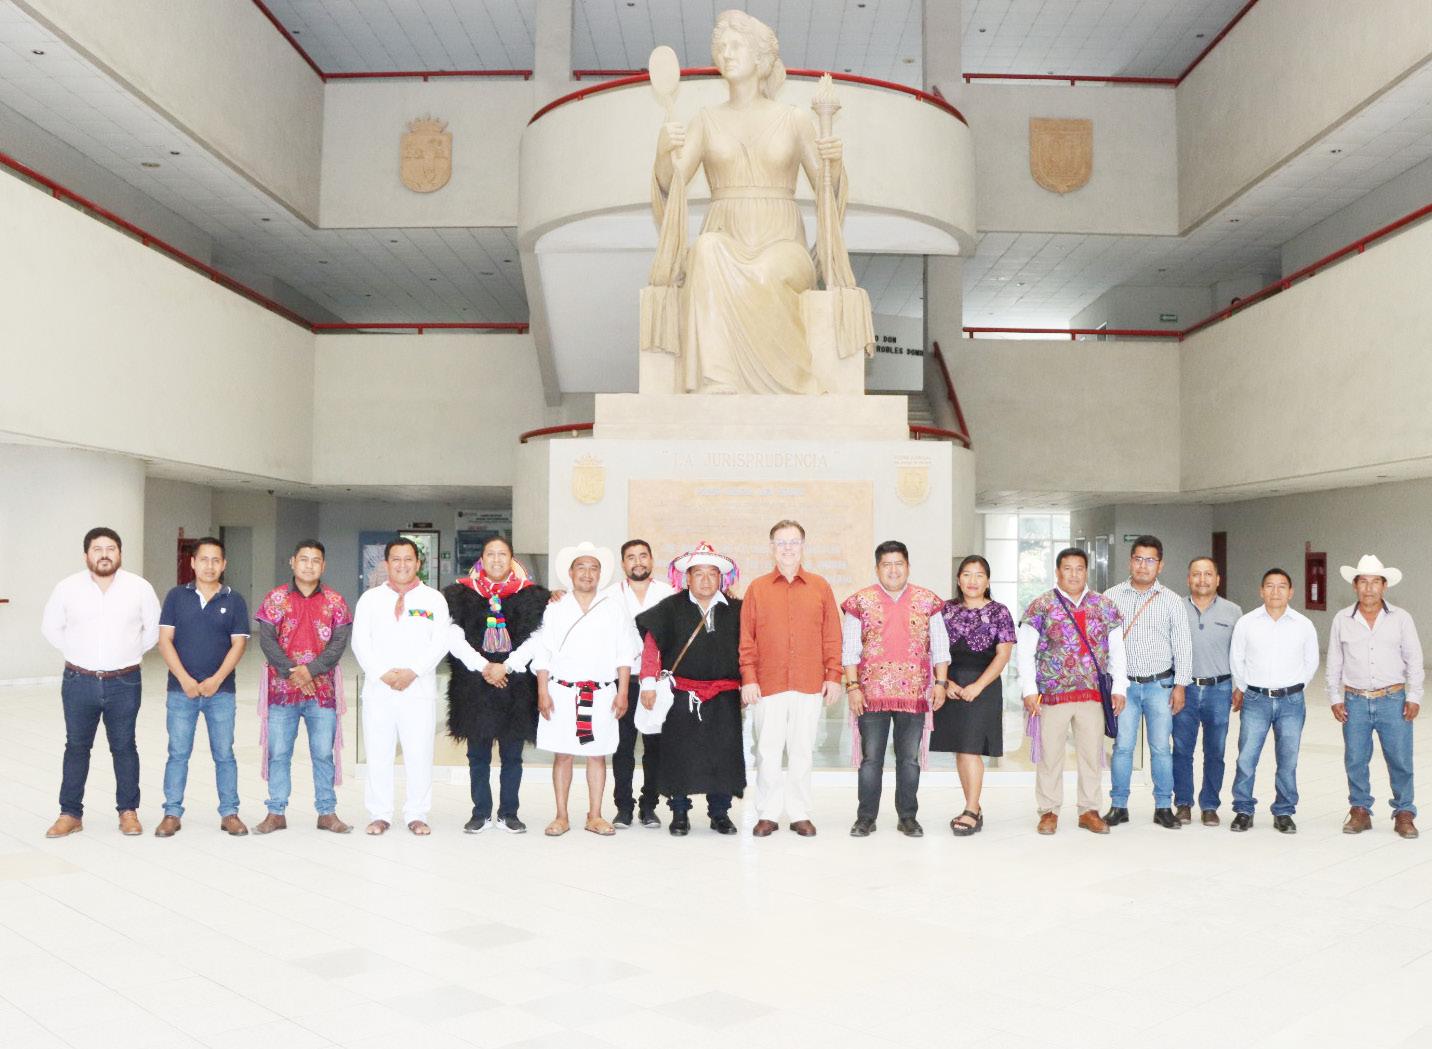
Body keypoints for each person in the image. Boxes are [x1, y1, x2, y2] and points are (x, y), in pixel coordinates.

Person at [650, 10, 861, 393]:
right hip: (725, 234)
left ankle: (792, 380)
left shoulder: (794, 119)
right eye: (721, 46)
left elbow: (828, 194)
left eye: (736, 45)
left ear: (761, 58)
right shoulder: (705, 120)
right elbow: (671, 185)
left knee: (765, 272)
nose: (726, 53)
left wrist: (835, 161)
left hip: (783, 241)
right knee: (706, 251)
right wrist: (664, 153)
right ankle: (719, 379)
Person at [40, 527, 160, 838]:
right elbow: (51, 627)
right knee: (76, 746)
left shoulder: (139, 588)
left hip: (125, 681)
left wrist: (127, 653)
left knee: (124, 746)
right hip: (78, 681)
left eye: (111, 549)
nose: (104, 554)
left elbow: (152, 631)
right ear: (86, 555)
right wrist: (78, 654)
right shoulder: (67, 588)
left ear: (120, 553)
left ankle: (128, 812)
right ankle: (70, 814)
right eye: (97, 549)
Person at [739, 519, 842, 837]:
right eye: (781, 542)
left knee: (802, 750)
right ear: (772, 547)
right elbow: (747, 638)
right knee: (767, 751)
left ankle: (799, 812)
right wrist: (748, 677)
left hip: (809, 682)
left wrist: (834, 675)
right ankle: (768, 813)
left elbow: (832, 635)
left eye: (793, 542)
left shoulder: (820, 586)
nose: (787, 548)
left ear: (803, 546)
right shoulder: (757, 588)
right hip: (767, 684)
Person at [635, 543, 747, 835]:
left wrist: (749, 683)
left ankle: (720, 813)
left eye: (712, 574)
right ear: (687, 577)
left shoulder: (738, 610)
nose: (706, 580)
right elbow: (651, 647)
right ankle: (680, 812)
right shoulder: (670, 608)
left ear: (721, 578)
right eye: (699, 574)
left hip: (724, 696)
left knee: (722, 756)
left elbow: (749, 651)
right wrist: (648, 683)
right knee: (680, 756)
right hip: (681, 695)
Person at [531, 542, 641, 836]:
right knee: (563, 754)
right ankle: (561, 816)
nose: (587, 573)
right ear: (570, 572)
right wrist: (542, 691)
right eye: (581, 567)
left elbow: (624, 653)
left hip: (602, 693)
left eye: (594, 568)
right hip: (562, 691)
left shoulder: (613, 607)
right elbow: (543, 653)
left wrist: (623, 691)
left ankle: (595, 815)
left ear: (600, 575)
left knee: (597, 754)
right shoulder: (556, 607)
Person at [840, 540, 948, 838]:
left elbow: (940, 647)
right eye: (886, 565)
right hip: (870, 695)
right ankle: (865, 818)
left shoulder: (927, 601)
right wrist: (852, 687)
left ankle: (908, 817)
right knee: (871, 759)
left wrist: (940, 683)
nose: (893, 570)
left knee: (909, 759)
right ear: (877, 569)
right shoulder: (859, 602)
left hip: (914, 694)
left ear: (908, 566)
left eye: (898, 564)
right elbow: (849, 650)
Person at [1018, 547, 1127, 835]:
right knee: (1050, 755)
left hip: (1092, 694)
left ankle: (1089, 810)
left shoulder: (1104, 606)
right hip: (1052, 694)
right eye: (1067, 568)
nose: (1074, 574)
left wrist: (1119, 687)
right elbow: (1025, 652)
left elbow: (1117, 651)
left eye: (1079, 569)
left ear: (1086, 571)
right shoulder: (1040, 606)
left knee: (1092, 755)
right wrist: (1029, 690)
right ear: (1057, 572)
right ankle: (1048, 811)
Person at [444, 536, 548, 834]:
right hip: (474, 686)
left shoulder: (532, 596)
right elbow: (453, 637)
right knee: (477, 755)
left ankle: (509, 813)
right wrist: (484, 666)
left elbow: (538, 638)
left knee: (512, 756)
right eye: (491, 554)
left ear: (512, 560)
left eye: (503, 554)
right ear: (482, 560)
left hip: (515, 686)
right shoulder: (460, 594)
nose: (497, 559)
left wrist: (508, 665)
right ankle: (480, 813)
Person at [352, 538, 451, 836]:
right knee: (378, 753)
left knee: (419, 753)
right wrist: (383, 674)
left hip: (417, 689)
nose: (402, 565)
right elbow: (360, 642)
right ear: (386, 563)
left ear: (418, 563)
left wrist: (413, 672)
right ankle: (379, 813)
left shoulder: (434, 599)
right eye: (396, 559)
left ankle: (417, 814)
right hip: (379, 690)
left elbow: (440, 642)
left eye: (409, 559)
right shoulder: (370, 599)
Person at [253, 539, 354, 835]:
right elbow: (266, 640)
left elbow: (338, 643)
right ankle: (276, 812)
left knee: (323, 753)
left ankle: (327, 812)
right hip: (281, 692)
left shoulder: (335, 602)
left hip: (322, 694)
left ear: (323, 565)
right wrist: (292, 672)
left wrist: (310, 671)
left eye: (315, 560)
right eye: (304, 559)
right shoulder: (275, 599)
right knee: (278, 752)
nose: (309, 565)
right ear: (293, 562)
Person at [154, 536, 250, 837]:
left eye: (215, 560)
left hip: (221, 693)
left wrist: (216, 680)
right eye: (204, 559)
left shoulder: (234, 600)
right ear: (193, 563)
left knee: (224, 754)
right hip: (180, 691)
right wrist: (184, 679)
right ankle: (171, 813)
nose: (209, 566)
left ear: (224, 564)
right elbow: (165, 641)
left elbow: (238, 645)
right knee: (178, 753)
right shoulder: (176, 597)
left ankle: (230, 813)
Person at [1326, 554, 1422, 839]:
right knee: (1355, 759)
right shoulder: (1342, 619)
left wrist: (1414, 695)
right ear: (1355, 585)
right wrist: (1334, 697)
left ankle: (1404, 812)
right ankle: (1360, 810)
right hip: (1355, 701)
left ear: (1384, 586)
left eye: (1375, 582)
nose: (1369, 588)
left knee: (1400, 759)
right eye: (1363, 582)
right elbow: (1334, 661)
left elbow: (1414, 659)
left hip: (1393, 699)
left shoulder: (1401, 619)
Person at [1103, 536, 1193, 830]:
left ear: (1160, 565)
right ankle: (1119, 806)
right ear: (1130, 561)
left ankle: (1163, 807)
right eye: (1138, 559)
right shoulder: (1111, 597)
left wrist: (1180, 685)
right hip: (1125, 688)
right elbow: (1102, 643)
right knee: (1123, 748)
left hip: (1160, 686)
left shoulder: (1171, 600)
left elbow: (1182, 646)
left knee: (1161, 748)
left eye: (1150, 560)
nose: (1143, 565)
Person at [1229, 568, 1320, 834]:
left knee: (1288, 759)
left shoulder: (1303, 624)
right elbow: (1237, 658)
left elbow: (1311, 661)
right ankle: (1243, 809)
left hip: (1291, 702)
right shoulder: (1247, 622)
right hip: (1256, 699)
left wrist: (1296, 686)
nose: (1275, 591)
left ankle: (1284, 811)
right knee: (1247, 757)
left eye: (1282, 586)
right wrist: (1244, 687)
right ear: (1261, 591)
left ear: (1291, 592)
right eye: (1270, 586)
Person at [932, 554, 1015, 836]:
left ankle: (971, 809)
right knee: (961, 749)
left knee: (971, 749)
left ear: (988, 581)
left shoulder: (999, 612)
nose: (973, 580)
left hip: (984, 686)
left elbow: (1003, 656)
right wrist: (946, 682)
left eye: (979, 575)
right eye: (967, 574)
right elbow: (932, 649)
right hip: (952, 685)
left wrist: (978, 686)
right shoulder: (945, 610)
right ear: (958, 579)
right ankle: (973, 807)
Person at [610, 539, 676, 829]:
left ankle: (649, 806)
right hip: (622, 680)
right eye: (631, 557)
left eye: (643, 556)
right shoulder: (609, 595)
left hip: (658, 682)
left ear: (651, 559)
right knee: (622, 747)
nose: (638, 562)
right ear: (623, 564)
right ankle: (623, 807)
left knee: (655, 746)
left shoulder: (669, 594)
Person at [1175, 557, 1242, 826]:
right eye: (1196, 574)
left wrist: (1238, 687)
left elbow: (1239, 653)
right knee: (1182, 749)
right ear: (1188, 578)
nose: (1202, 579)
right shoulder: (1175, 607)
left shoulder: (1233, 611)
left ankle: (1210, 805)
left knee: (1215, 751)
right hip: (1185, 689)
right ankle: (1183, 803)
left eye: (1208, 574)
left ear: (1217, 579)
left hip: (1219, 689)